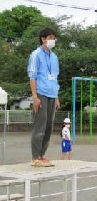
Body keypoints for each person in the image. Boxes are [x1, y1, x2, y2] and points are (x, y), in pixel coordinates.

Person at [27, 28, 60, 167]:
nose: (53, 40)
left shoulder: (54, 57)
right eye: (50, 37)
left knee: (48, 127)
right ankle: (35, 157)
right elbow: (32, 76)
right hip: (41, 93)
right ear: (43, 38)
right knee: (40, 126)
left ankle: (42, 155)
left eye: (54, 37)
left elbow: (55, 78)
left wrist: (57, 97)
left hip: (52, 93)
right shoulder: (35, 54)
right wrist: (35, 97)